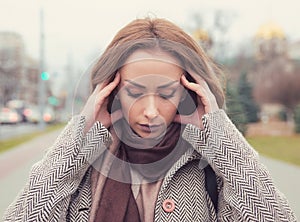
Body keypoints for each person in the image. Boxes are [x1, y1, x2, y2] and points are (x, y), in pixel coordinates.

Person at [3, 17, 297, 222]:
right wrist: (79, 134)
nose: (151, 111)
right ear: (111, 90)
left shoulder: (211, 164)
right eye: (135, 92)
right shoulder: (83, 160)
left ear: (189, 92)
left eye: (167, 93)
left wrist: (219, 133)